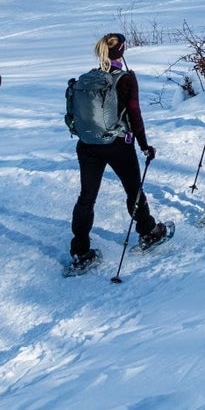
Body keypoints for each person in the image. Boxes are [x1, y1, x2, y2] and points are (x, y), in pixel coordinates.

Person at [66, 32, 168, 271]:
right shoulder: (126, 79)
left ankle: (80, 251)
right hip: (117, 144)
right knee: (133, 189)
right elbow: (134, 114)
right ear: (121, 51)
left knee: (86, 197)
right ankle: (148, 231)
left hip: (87, 145)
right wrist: (144, 145)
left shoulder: (89, 78)